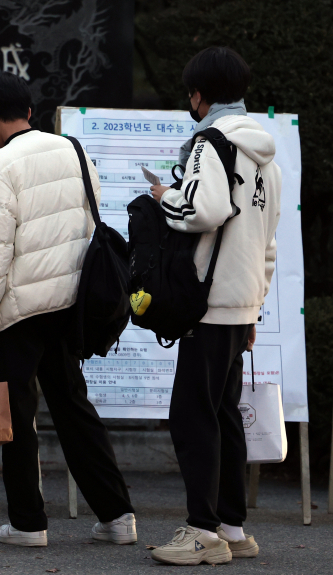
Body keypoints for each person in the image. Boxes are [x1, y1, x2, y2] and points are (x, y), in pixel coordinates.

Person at [0, 71, 135, 547]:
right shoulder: (74, 152)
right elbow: (86, 224)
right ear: (31, 112)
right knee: (74, 407)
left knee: (16, 416)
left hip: (19, 313)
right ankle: (118, 516)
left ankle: (27, 523)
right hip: (69, 304)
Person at [148, 47, 281, 565]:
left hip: (208, 303)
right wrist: (254, 307)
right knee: (222, 414)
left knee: (192, 416)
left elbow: (202, 210)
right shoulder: (265, 153)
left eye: (191, 94)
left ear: (199, 95)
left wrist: (163, 195)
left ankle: (202, 532)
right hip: (240, 301)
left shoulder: (211, 142)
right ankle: (232, 526)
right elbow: (267, 239)